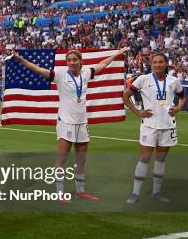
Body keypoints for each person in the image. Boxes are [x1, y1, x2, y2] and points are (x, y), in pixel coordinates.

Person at [13, 48, 127, 201]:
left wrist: (117, 54)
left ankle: (80, 191)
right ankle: (60, 192)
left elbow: (103, 64)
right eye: (69, 60)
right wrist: (22, 61)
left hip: (82, 123)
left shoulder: (86, 73)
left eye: (75, 59)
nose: (72, 62)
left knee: (81, 159)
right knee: (62, 158)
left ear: (81, 61)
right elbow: (38, 69)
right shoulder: (60, 75)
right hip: (66, 122)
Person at [123, 53, 186, 203]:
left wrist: (178, 107)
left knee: (160, 160)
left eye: (161, 62)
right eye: (155, 62)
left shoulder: (174, 81)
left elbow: (182, 97)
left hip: (168, 125)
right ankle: (135, 193)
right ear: (151, 64)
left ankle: (156, 192)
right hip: (149, 126)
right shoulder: (143, 79)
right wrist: (138, 111)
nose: (158, 65)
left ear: (166, 64)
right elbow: (125, 95)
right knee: (144, 159)